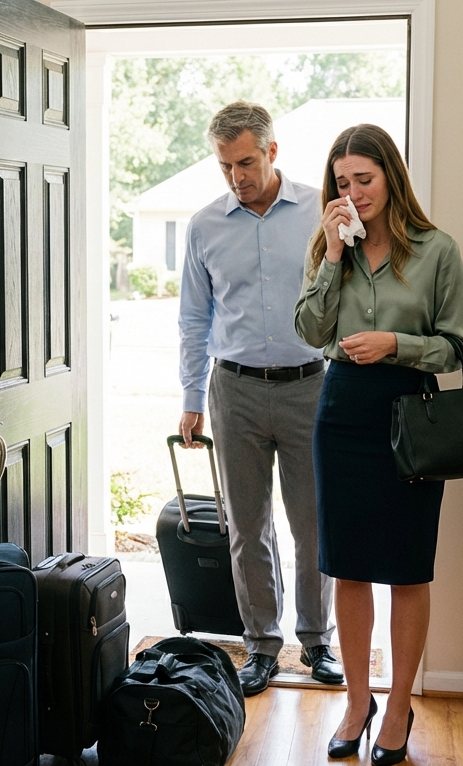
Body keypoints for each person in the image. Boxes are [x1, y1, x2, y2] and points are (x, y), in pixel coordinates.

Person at [294, 124, 463, 766]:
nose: (353, 193)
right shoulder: (328, 248)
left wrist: (396, 344)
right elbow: (309, 330)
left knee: (405, 567)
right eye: (341, 183)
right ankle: (357, 699)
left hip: (411, 415)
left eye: (363, 180)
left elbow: (457, 346)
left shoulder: (436, 250)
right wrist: (333, 259)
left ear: (391, 178)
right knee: (347, 565)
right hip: (342, 413)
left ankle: (397, 706)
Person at [177, 100, 341, 696]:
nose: (236, 176)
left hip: (310, 387)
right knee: (247, 528)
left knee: (314, 525)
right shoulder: (204, 226)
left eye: (245, 162)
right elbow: (194, 319)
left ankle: (318, 642)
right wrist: (192, 397)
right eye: (225, 166)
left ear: (272, 152)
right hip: (234, 390)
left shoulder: (320, 213)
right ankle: (261, 646)